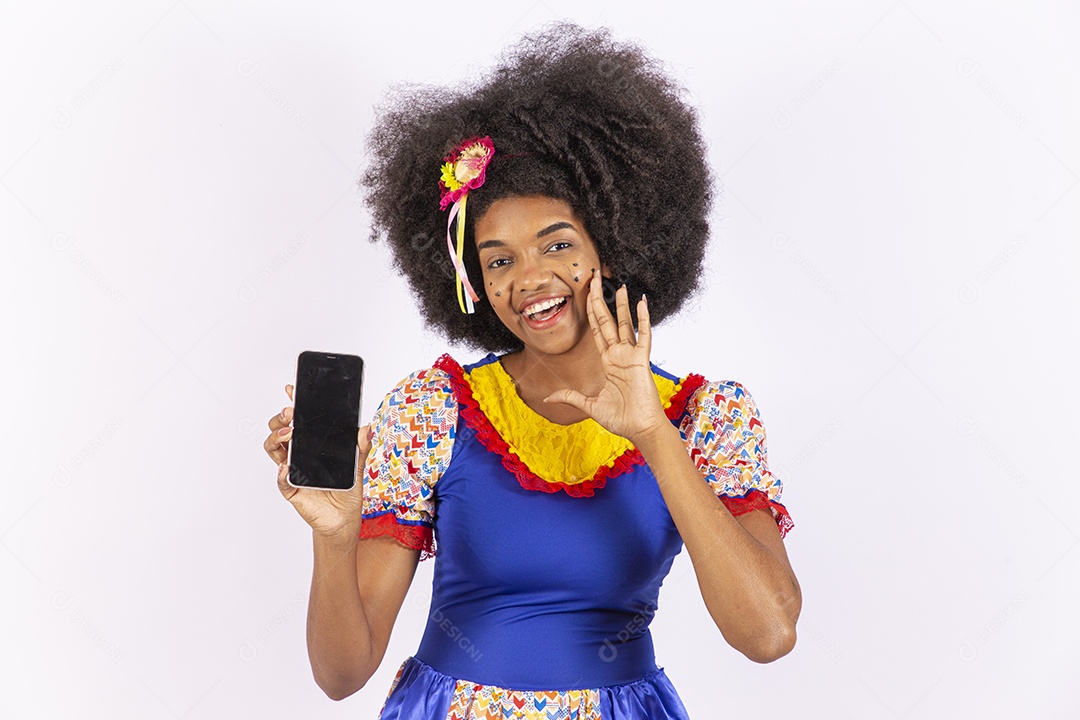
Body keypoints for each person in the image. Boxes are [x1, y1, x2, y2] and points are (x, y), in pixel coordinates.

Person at [263, 23, 800, 719]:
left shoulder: (705, 418)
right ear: (472, 283)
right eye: (498, 259)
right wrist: (335, 534)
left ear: (614, 241)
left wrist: (651, 433)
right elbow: (342, 673)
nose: (530, 279)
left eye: (557, 244)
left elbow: (768, 634)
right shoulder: (435, 410)